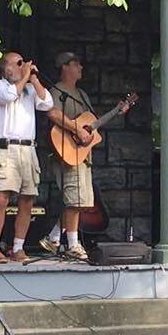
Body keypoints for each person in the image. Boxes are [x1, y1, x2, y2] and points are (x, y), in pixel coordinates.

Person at [40, 51, 130, 261]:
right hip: (65, 151)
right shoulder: (57, 90)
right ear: (65, 67)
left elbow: (91, 124)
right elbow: (52, 113)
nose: (81, 68)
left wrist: (117, 110)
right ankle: (72, 244)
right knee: (75, 199)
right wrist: (76, 129)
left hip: (82, 155)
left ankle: (53, 237)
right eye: (76, 64)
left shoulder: (81, 95)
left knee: (82, 200)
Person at [0, 51, 53, 263]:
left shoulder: (29, 87)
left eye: (23, 63)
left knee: (27, 200)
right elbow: (8, 96)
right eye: (18, 63)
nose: (22, 65)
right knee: (1, 198)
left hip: (28, 150)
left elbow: (47, 103)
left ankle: (18, 247)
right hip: (6, 149)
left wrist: (32, 78)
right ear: (6, 68)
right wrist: (25, 76)